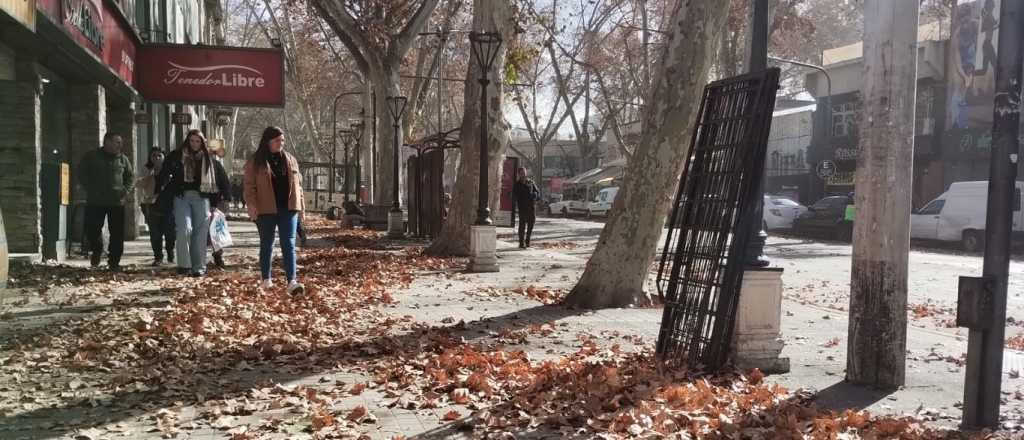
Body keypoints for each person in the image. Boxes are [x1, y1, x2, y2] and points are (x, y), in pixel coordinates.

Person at [157, 129, 230, 277]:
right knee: (184, 229)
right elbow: (164, 172)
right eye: (192, 141)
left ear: (202, 142)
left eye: (198, 141)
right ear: (187, 141)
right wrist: (160, 188)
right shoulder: (177, 156)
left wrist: (225, 199)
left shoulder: (209, 159)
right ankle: (184, 265)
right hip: (181, 196)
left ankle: (199, 267)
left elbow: (222, 178)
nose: (195, 144)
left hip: (202, 198)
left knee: (200, 233)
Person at [244, 126, 306, 294]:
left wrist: (301, 208)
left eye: (283, 140)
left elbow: (298, 186)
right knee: (267, 244)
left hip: (289, 209)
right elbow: (249, 187)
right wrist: (251, 205)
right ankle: (266, 279)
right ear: (268, 141)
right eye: (277, 140)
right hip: (266, 210)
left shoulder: (291, 160)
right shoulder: (255, 161)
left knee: (289, 243)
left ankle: (292, 281)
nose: (281, 143)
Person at [78, 133, 134, 271]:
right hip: (95, 201)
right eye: (117, 142)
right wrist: (89, 187)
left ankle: (114, 262)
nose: (120, 145)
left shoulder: (123, 159)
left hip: (116, 202)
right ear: (107, 142)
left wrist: (125, 191)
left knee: (117, 233)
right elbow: (81, 173)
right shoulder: (92, 156)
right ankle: (97, 250)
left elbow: (130, 177)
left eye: (120, 142)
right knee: (92, 229)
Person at [137, 148, 175, 266]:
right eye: (154, 156)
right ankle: (158, 257)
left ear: (164, 157)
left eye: (159, 155)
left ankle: (170, 252)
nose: (157, 158)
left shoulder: (170, 170)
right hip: (151, 205)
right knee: (155, 233)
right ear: (150, 157)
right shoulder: (146, 170)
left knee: (170, 233)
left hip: (168, 205)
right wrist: (150, 175)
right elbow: (138, 184)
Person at [511, 167, 540, 249]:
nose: (523, 174)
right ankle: (521, 242)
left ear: (526, 173)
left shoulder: (531, 182)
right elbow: (514, 196)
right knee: (522, 225)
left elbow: (537, 192)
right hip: (522, 208)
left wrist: (535, 195)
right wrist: (515, 202)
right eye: (521, 173)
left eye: (524, 173)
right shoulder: (517, 185)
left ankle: (527, 240)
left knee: (531, 224)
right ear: (519, 174)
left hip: (531, 207)